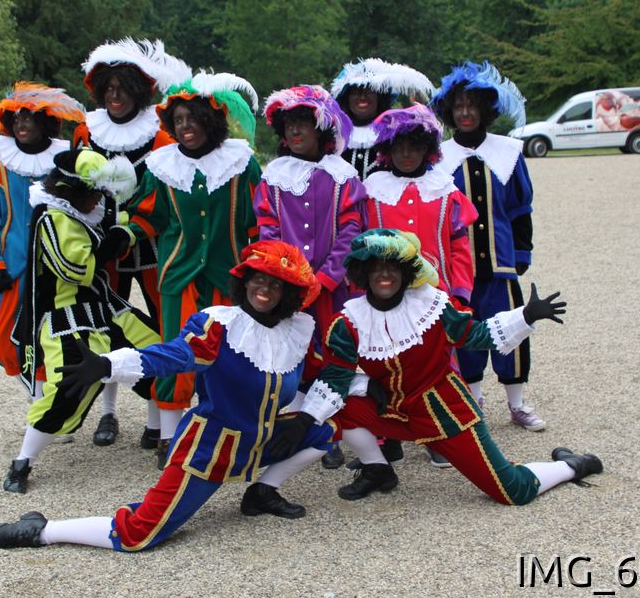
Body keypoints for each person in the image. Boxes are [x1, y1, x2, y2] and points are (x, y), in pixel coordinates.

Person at [0, 241, 338, 552]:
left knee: (324, 432)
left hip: (259, 441)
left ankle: (261, 494)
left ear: (289, 294)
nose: (265, 289)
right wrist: (107, 365)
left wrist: (305, 419)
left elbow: (318, 376)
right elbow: (175, 355)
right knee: (140, 533)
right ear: (244, 281)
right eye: (258, 279)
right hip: (210, 451)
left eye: (277, 284)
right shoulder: (220, 327)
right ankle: (42, 530)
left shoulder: (296, 332)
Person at [304, 228, 602, 503]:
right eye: (376, 267)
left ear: (406, 272)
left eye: (393, 266)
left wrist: (526, 316)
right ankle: (377, 469)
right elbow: (335, 377)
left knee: (511, 491)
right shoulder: (349, 322)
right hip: (394, 411)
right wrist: (318, 412)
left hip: (445, 415)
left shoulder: (431, 306)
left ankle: (571, 465)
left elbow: (476, 335)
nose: (385, 274)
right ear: (364, 272)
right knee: (337, 406)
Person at [2, 149, 161, 494]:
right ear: (71, 192)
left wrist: (125, 230)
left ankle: (157, 433)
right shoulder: (52, 217)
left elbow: (120, 221)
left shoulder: (87, 211)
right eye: (93, 194)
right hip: (67, 316)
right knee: (70, 387)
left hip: (105, 308)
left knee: (156, 352)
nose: (99, 201)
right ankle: (22, 463)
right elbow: (76, 269)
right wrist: (113, 241)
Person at [124, 71, 262, 469]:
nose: (186, 126)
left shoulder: (241, 163)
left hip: (229, 276)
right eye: (179, 120)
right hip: (178, 276)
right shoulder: (162, 166)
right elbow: (148, 216)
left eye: (194, 118)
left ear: (211, 121)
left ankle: (230, 434)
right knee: (176, 353)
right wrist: (124, 234)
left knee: (230, 357)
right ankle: (169, 440)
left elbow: (258, 219)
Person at [73, 38, 191, 450]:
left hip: (153, 248)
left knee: (162, 327)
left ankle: (158, 417)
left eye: (123, 88)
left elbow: (167, 195)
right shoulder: (86, 132)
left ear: (139, 92)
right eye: (108, 88)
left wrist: (131, 226)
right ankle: (108, 413)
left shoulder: (160, 137)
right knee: (103, 325)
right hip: (100, 249)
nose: (115, 96)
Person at [357, 103, 479, 468]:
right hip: (384, 295)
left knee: (436, 366)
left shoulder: (444, 189)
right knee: (385, 364)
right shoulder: (372, 190)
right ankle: (389, 438)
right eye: (399, 146)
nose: (407, 154)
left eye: (415, 146)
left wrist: (461, 292)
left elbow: (460, 246)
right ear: (387, 149)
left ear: (428, 149)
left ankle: (441, 436)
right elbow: (359, 245)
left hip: (434, 296)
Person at [429, 60, 546, 431]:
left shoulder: (508, 152)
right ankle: (474, 401)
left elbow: (521, 209)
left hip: (501, 264)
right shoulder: (439, 158)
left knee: (514, 328)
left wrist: (522, 253)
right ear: (450, 112)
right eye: (458, 106)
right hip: (459, 270)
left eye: (472, 106)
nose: (465, 113)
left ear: (484, 110)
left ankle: (517, 403)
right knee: (466, 332)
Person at [255, 84, 366, 469]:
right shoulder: (273, 176)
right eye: (289, 125)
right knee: (293, 357)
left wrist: (326, 278)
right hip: (288, 288)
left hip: (332, 291)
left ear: (322, 129)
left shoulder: (343, 176)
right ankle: (297, 430)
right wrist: (285, 276)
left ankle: (330, 430)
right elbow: (267, 227)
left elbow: (352, 230)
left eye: (303, 123)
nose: (295, 131)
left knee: (334, 356)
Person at [0, 82, 84, 392]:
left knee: (53, 337)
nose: (21, 123)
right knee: (4, 340)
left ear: (45, 122)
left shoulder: (66, 162)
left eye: (29, 117)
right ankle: (38, 396)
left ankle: (45, 404)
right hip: (12, 268)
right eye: (17, 117)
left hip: (57, 267)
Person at [330, 58, 435, 180]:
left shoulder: (396, 133)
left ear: (380, 96)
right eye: (355, 91)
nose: (362, 96)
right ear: (346, 98)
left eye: (369, 90)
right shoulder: (333, 134)